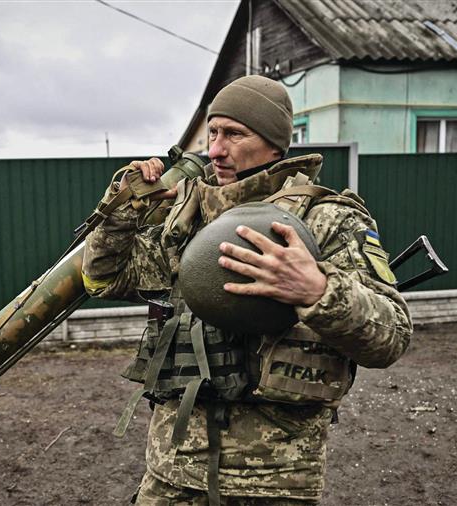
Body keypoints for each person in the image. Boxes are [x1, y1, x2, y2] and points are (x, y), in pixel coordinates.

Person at [81, 75, 413, 505]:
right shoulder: (189, 216)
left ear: (276, 145)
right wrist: (122, 208)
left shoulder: (328, 220)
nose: (216, 149)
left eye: (234, 134)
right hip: (172, 470)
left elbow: (392, 336)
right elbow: (106, 278)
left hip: (274, 479)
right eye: (213, 132)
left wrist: (317, 290)